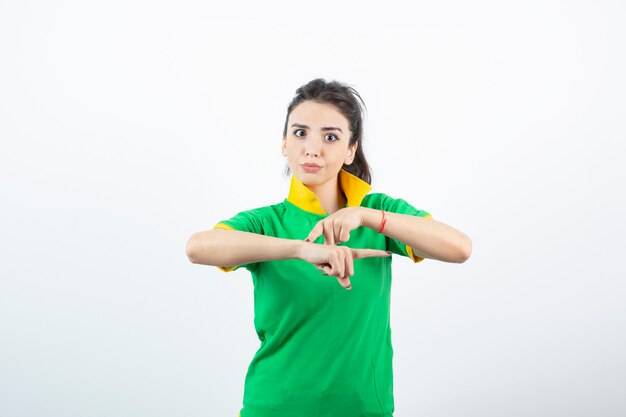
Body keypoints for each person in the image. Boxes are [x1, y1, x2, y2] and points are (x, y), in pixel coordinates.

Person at [185, 78, 472, 417]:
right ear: (283, 143)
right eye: (300, 133)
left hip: (364, 409)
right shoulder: (266, 222)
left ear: (351, 149)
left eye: (331, 137)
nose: (312, 148)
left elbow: (459, 248)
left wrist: (367, 216)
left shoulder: (378, 213)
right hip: (274, 406)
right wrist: (301, 250)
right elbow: (198, 247)